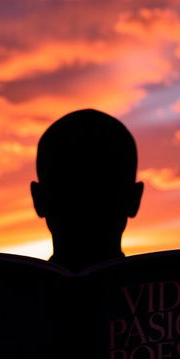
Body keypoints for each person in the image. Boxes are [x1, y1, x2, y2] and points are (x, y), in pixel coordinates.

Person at [30, 109, 144, 273]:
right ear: (135, 198)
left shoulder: (1, 295)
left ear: (38, 198)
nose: (85, 203)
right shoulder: (169, 294)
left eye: (102, 186)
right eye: (69, 186)